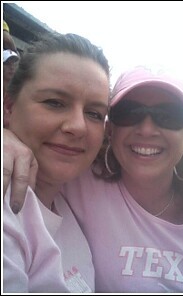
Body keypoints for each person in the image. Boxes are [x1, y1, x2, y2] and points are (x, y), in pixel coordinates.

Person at [3, 66, 183, 293]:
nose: (147, 129)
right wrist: (7, 137)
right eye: (129, 113)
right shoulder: (80, 176)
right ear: (110, 129)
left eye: (168, 116)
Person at [3, 31, 110, 292]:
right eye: (54, 102)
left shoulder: (66, 199)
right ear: (8, 108)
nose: (78, 126)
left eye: (94, 113)